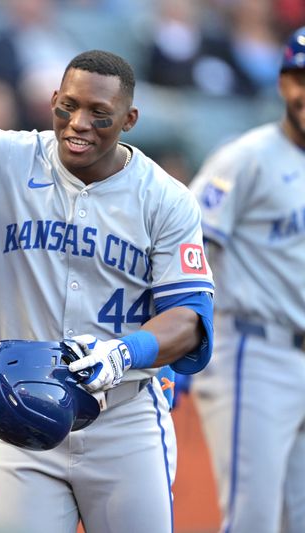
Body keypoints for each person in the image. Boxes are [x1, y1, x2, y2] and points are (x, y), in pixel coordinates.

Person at [0, 34, 214, 533]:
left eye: (100, 113)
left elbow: (190, 320)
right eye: (69, 107)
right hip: (24, 421)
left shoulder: (165, 198)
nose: (79, 124)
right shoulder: (4, 156)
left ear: (129, 120)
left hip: (124, 420)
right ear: (53, 101)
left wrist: (125, 353)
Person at [188, 26, 305, 533]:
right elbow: (184, 245)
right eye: (300, 78)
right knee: (253, 522)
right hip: (253, 354)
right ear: (282, 85)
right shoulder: (247, 157)